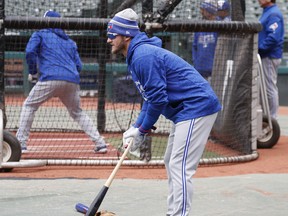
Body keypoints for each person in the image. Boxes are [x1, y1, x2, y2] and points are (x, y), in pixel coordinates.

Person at [106, 8, 221, 216]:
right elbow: (149, 98)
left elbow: (158, 100)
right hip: (185, 110)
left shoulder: (143, 56)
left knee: (180, 165)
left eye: (112, 35)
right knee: (171, 161)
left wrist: (142, 128)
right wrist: (136, 127)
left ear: (126, 35)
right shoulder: (135, 56)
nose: (108, 39)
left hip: (197, 106)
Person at [16, 10, 108, 154]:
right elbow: (79, 66)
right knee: (77, 112)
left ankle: (21, 143)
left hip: (50, 78)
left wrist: (33, 72)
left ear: (45, 21)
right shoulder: (69, 41)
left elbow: (29, 52)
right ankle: (100, 143)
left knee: (29, 106)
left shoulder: (40, 33)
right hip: (72, 80)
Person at [258, 0, 284, 120]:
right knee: (265, 88)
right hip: (265, 56)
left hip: (269, 56)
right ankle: (267, 117)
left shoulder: (273, 13)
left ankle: (272, 118)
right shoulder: (267, 12)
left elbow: (273, 38)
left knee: (269, 88)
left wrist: (259, 49)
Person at [192, 0, 218, 81]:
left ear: (209, 11)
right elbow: (194, 46)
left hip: (214, 70)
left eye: (203, 10)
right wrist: (195, 61)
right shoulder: (199, 27)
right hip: (200, 69)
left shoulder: (218, 26)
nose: (201, 12)